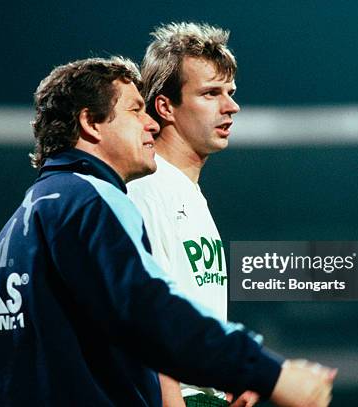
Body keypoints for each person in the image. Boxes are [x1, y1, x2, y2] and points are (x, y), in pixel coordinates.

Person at [0, 56, 336, 407]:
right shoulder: (90, 199)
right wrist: (270, 373)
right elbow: (149, 309)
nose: (151, 123)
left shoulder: (13, 232)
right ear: (91, 123)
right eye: (136, 110)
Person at [126, 22, 249, 406]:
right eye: (211, 93)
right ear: (165, 106)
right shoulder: (144, 191)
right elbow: (141, 313)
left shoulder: (189, 193)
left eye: (229, 92)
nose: (231, 106)